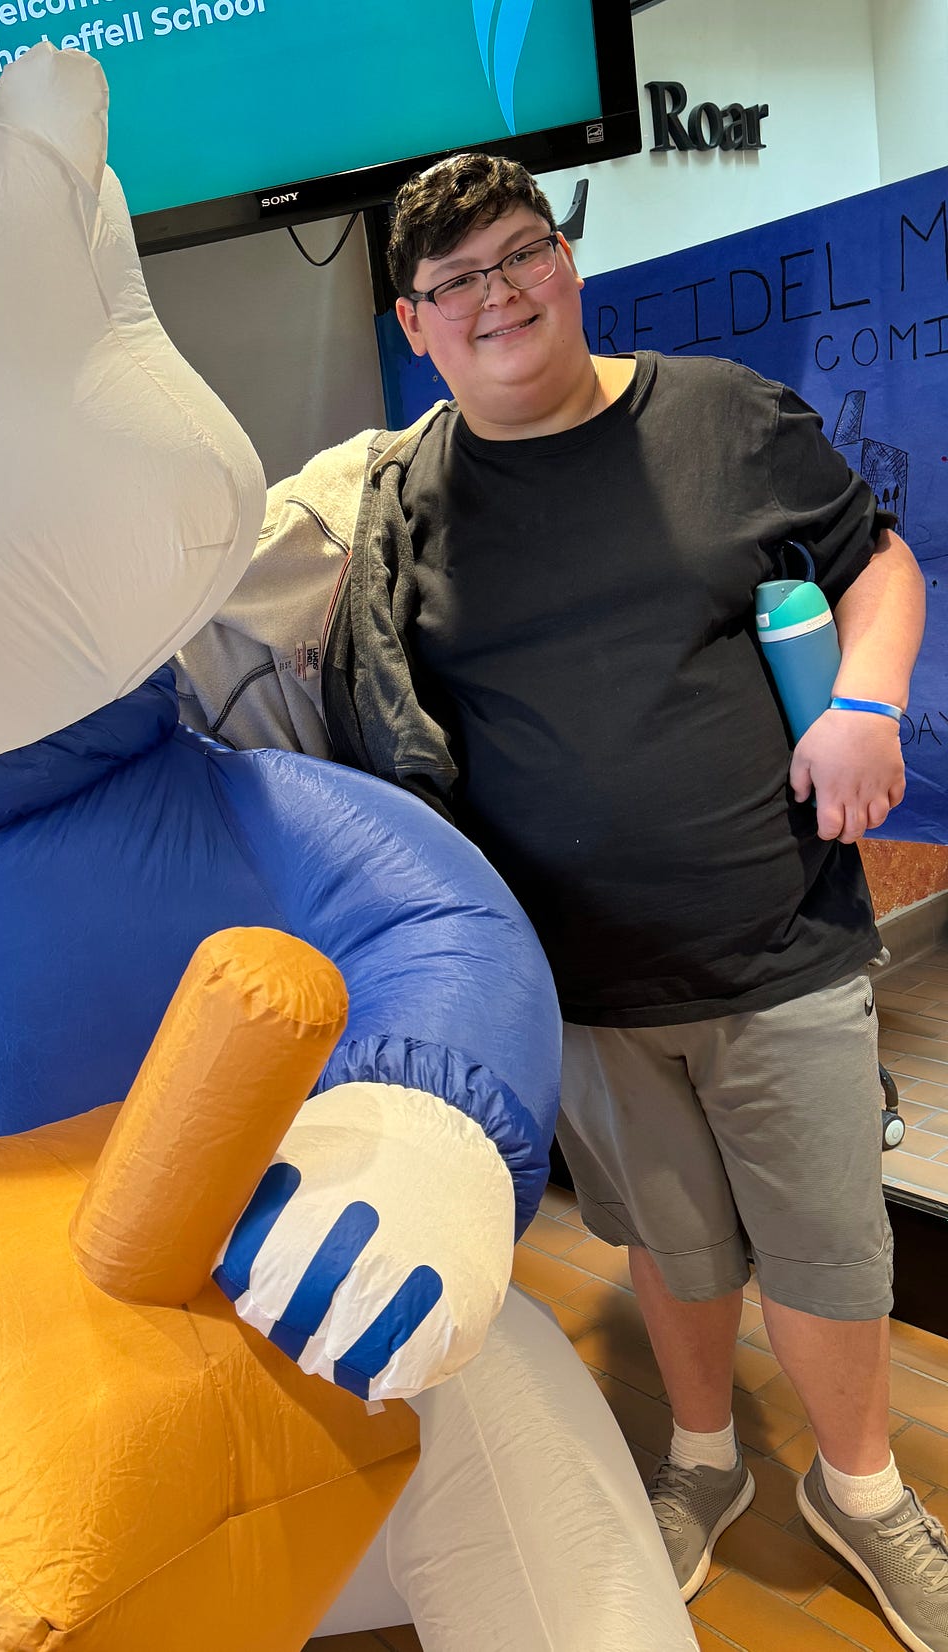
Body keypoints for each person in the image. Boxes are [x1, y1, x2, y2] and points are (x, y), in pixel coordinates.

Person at [177, 151, 944, 1652]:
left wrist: (865, 702)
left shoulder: (724, 417)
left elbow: (881, 565)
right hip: (573, 977)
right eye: (456, 280)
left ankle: (863, 1491)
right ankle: (706, 1461)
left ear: (565, 261)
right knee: (664, 1240)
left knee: (833, 1241)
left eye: (520, 253)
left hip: (778, 939)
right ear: (415, 322)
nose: (499, 295)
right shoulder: (393, 508)